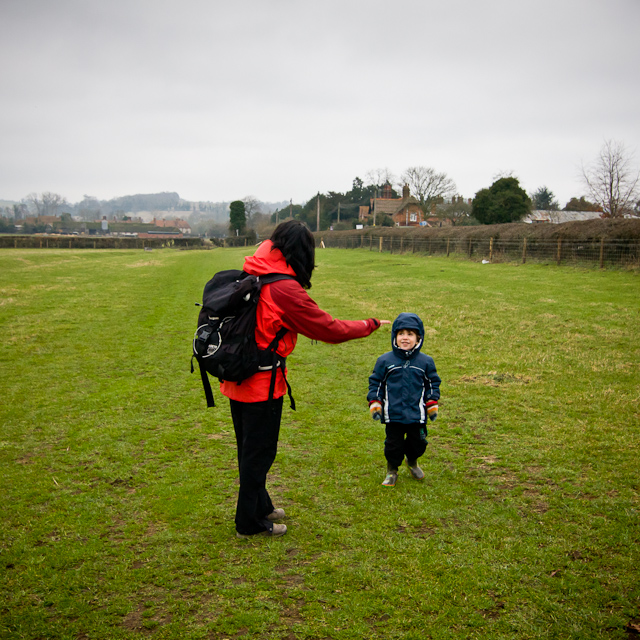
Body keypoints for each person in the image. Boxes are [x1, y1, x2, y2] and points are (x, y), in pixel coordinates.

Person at [220, 220, 389, 539]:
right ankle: (248, 523)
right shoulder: (283, 287)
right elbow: (330, 329)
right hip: (261, 384)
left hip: (237, 375)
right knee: (259, 453)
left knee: (250, 449)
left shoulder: (255, 266)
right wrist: (370, 324)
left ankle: (261, 505)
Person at [367, 312, 441, 487]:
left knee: (419, 443)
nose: (405, 338)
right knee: (393, 446)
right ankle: (392, 470)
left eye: (410, 334)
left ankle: (412, 461)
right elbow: (376, 382)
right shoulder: (385, 361)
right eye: (401, 334)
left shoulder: (426, 362)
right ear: (394, 336)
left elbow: (433, 384)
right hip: (394, 414)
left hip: (418, 414)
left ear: (418, 338)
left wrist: (432, 402)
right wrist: (375, 402)